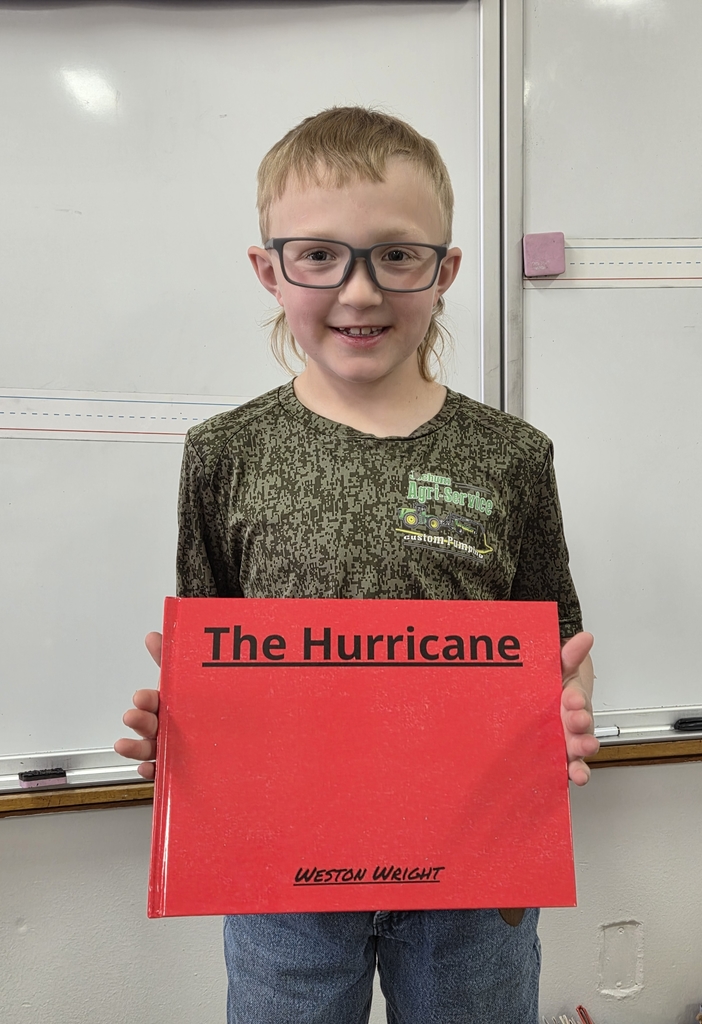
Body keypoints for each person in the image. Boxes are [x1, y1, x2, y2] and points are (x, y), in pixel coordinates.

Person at [115, 106, 597, 1024]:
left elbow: (558, 647)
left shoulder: (511, 456)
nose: (361, 291)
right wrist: (182, 741)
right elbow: (213, 659)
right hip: (285, 883)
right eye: (319, 255)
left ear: (445, 269)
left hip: (474, 874)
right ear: (269, 270)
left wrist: (565, 722)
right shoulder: (225, 453)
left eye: (398, 255)